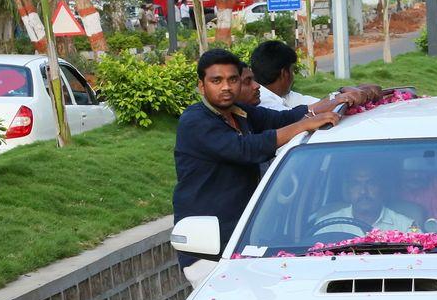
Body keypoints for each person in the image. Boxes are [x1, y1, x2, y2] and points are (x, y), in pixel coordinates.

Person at [173, 49, 341, 286]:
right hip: (208, 249)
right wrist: (305, 125)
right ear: (201, 86)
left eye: (232, 80)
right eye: (216, 80)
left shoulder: (239, 113)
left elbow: (282, 119)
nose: (226, 87)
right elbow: (247, 149)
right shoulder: (195, 121)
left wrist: (337, 102)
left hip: (245, 243)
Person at [313, 161, 421, 236]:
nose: (363, 191)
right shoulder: (328, 225)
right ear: (348, 189)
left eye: (371, 183)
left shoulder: (405, 226)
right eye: (356, 184)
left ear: (382, 187)